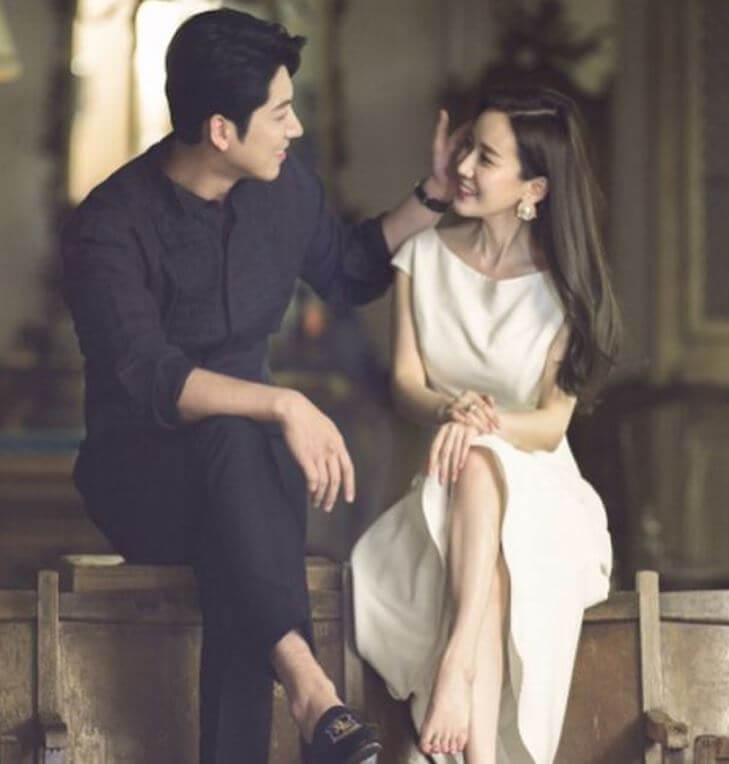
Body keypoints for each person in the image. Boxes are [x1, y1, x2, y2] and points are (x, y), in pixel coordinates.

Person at [60, 8, 465, 764]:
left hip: (247, 487)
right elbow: (147, 376)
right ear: (221, 130)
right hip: (142, 481)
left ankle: (317, 707)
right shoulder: (109, 224)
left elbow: (350, 266)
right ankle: (311, 688)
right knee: (234, 451)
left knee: (238, 506)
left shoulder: (283, 190)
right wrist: (281, 402)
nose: (295, 128)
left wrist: (433, 196)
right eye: (280, 113)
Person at [351, 88, 621, 764]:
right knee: (480, 510)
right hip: (441, 492)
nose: (464, 167)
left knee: (482, 465)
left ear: (534, 188)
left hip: (545, 496)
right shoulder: (422, 256)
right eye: (467, 148)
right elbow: (405, 385)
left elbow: (550, 425)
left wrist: (481, 426)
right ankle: (472, 712)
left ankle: (455, 668)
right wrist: (451, 411)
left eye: (486, 158)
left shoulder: (566, 290)